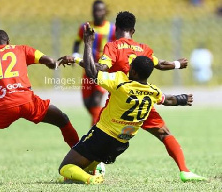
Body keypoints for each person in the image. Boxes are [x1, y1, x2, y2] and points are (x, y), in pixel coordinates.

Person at [64, 11, 207, 182]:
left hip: (120, 101)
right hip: (143, 102)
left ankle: (94, 166)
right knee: (164, 133)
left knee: (103, 134)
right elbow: (160, 64)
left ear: (116, 28)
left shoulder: (113, 47)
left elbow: (98, 69)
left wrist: (78, 59)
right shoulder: (143, 49)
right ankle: (185, 171)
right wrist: (177, 64)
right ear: (133, 30)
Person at [0, 30, 79, 184]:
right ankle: (82, 163)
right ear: (8, 41)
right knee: (62, 119)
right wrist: (55, 64)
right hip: (28, 102)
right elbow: (48, 60)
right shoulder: (21, 49)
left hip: (3, 107)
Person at [72, 0, 115, 126]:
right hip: (87, 70)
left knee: (96, 101)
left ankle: (95, 134)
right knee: (87, 103)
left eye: (100, 10)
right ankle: (104, 122)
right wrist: (75, 54)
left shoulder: (112, 29)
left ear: (105, 12)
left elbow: (117, 46)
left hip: (102, 71)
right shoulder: (85, 27)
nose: (97, 13)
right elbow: (77, 42)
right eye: (95, 10)